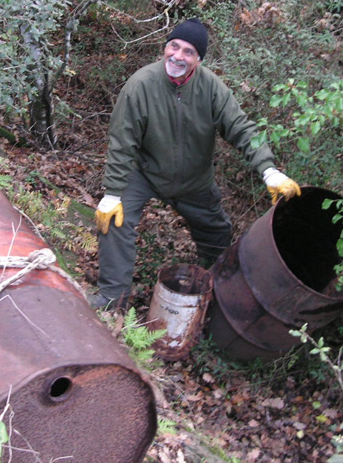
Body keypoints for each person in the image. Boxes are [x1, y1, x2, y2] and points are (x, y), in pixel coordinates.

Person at [90, 18, 300, 310]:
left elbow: (241, 128)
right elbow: (122, 141)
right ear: (165, 48)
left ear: (198, 59)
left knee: (218, 234)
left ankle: (216, 299)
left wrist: (269, 171)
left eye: (188, 51)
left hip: (194, 181)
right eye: (173, 47)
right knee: (114, 221)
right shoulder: (141, 85)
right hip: (146, 173)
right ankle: (112, 301)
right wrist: (112, 193)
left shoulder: (211, 88)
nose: (177, 56)